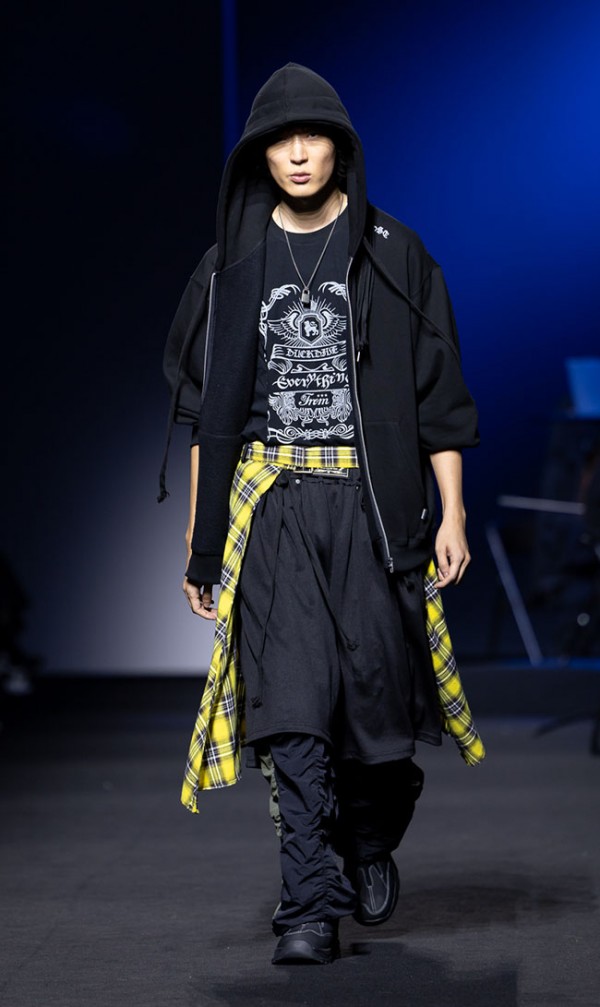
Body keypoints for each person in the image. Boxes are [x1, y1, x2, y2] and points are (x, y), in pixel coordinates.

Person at [161, 63, 485, 966]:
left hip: (373, 506)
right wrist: (203, 542)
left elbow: (438, 401)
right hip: (275, 506)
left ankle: (368, 839)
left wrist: (452, 513)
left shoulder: (394, 252)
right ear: (259, 156)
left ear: (341, 148)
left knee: (379, 716)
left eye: (314, 137)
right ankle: (306, 906)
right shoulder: (231, 266)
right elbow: (208, 417)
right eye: (281, 140)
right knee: (293, 709)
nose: (299, 153)